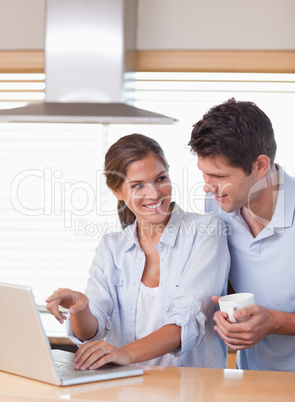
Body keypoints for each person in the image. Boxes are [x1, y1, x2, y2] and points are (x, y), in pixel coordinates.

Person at [46, 133, 230, 370]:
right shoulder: (112, 247)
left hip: (192, 388)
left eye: (160, 178)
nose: (154, 193)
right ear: (117, 192)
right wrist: (80, 309)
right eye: (137, 185)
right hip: (127, 388)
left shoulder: (206, 231)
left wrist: (122, 354)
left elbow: (186, 322)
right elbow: (91, 330)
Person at [188, 98, 295, 372]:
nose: (207, 188)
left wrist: (276, 321)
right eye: (204, 174)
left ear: (260, 166)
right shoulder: (219, 203)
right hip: (254, 380)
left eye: (219, 175)